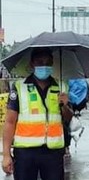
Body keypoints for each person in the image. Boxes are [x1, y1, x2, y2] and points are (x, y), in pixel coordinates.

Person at [2, 47, 73, 180]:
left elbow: (68, 118)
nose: (44, 66)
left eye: (47, 63)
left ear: (52, 63)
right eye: (40, 62)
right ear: (32, 64)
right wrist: (6, 155)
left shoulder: (61, 86)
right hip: (25, 153)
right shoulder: (19, 87)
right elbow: (10, 121)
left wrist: (64, 106)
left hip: (53, 152)